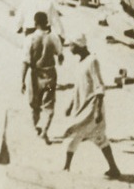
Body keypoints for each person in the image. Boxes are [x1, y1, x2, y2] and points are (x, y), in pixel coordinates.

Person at [59, 34, 121, 178]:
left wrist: (98, 110)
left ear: (79, 46)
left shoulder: (92, 61)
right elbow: (77, 87)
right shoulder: (81, 62)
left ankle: (66, 167)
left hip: (91, 108)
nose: (70, 48)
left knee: (74, 132)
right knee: (98, 137)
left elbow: (99, 86)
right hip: (82, 106)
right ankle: (114, 169)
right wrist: (70, 105)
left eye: (72, 45)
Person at [20, 10, 61, 135]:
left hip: (35, 76)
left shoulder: (30, 39)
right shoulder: (53, 37)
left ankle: (36, 127)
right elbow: (59, 53)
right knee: (49, 104)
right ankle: (45, 130)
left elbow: (26, 61)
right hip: (49, 75)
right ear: (46, 22)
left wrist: (22, 80)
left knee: (35, 104)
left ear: (35, 23)